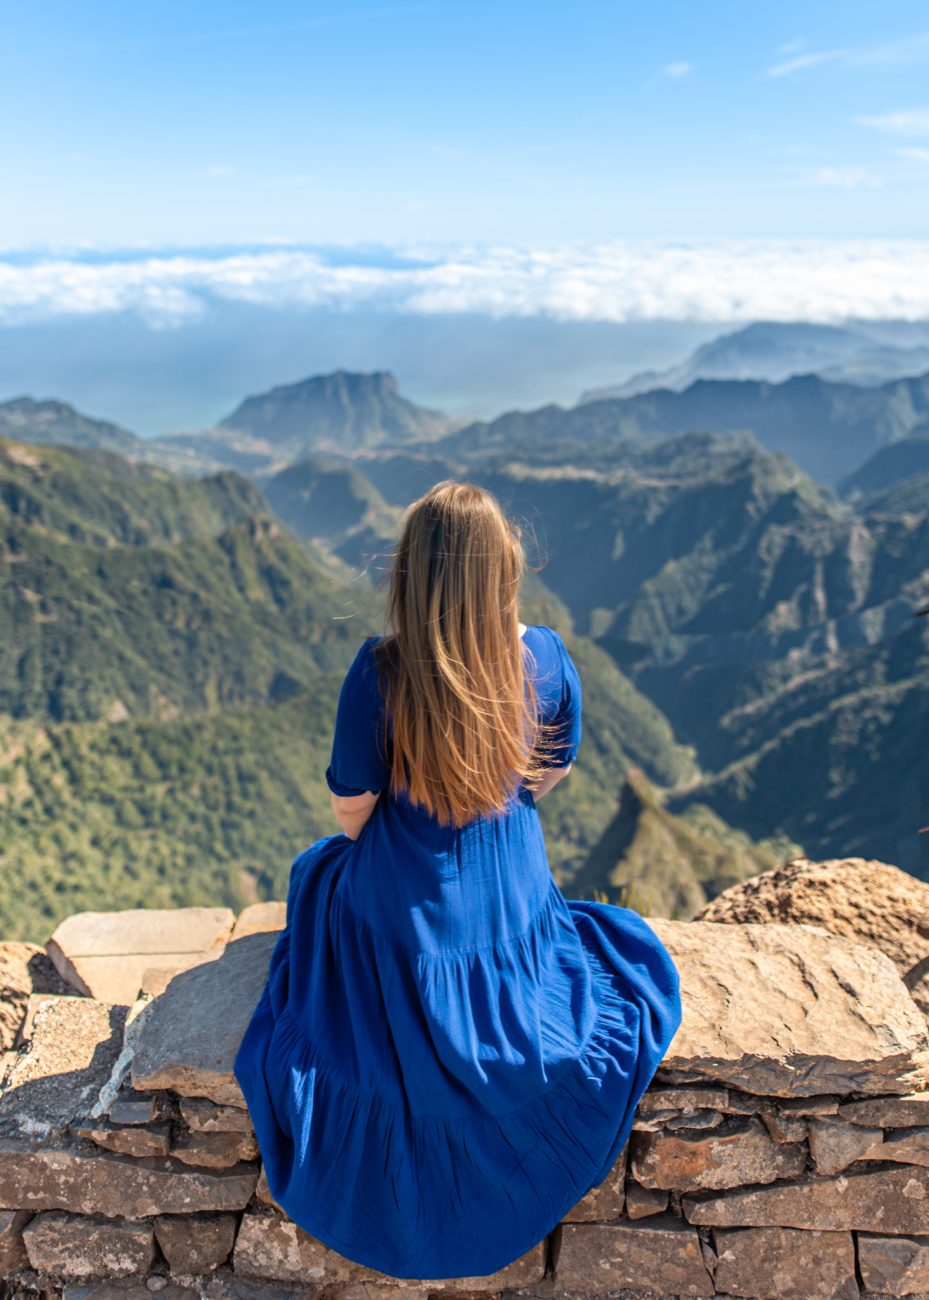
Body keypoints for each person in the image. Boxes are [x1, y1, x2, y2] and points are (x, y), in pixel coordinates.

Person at [233, 479, 683, 1281]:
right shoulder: (543, 657)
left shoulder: (381, 672)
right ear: (503, 571)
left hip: (399, 904)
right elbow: (547, 776)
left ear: (411, 577)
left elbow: (352, 811)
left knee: (315, 872)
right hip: (510, 889)